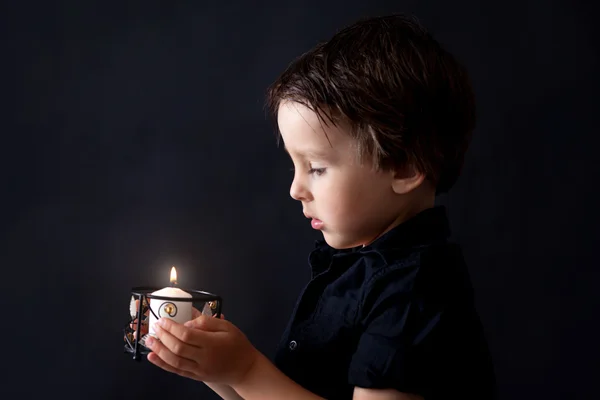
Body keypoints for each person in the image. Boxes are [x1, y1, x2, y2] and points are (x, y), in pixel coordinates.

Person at [142, 13, 496, 400]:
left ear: (404, 166)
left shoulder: (417, 293)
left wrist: (244, 369)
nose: (296, 189)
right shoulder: (351, 265)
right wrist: (215, 367)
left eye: (317, 167)